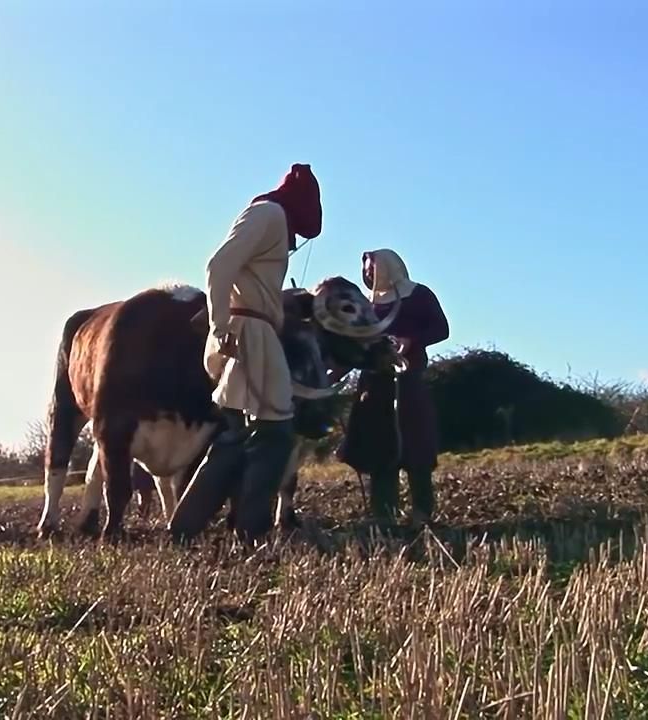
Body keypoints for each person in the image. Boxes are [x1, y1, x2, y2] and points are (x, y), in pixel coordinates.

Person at [169, 163, 323, 545]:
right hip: (250, 332)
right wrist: (220, 327)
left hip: (251, 330)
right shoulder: (268, 214)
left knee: (235, 436)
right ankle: (250, 531)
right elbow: (219, 265)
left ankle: (185, 528)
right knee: (275, 434)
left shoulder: (268, 216)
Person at [337, 248, 450, 526]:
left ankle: (421, 511)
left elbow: (440, 329)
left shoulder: (418, 295)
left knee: (415, 445)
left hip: (408, 380)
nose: (367, 273)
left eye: (371, 267)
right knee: (380, 448)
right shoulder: (367, 305)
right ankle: (383, 513)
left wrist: (410, 340)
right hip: (374, 385)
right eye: (365, 268)